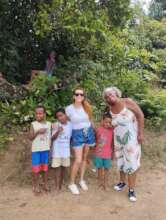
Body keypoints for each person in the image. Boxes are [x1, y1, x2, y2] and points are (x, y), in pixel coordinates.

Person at [103, 86, 144, 202]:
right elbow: (109, 125)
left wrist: (140, 133)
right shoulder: (109, 109)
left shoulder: (128, 102)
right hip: (118, 139)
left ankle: (131, 189)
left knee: (131, 162)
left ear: (116, 93)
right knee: (120, 161)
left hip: (131, 139)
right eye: (107, 97)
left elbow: (140, 116)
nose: (109, 97)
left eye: (111, 94)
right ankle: (122, 182)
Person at [66, 87, 95, 195]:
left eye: (81, 95)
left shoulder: (87, 107)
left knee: (84, 158)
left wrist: (95, 133)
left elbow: (90, 120)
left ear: (83, 97)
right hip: (76, 134)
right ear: (73, 96)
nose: (79, 96)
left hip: (88, 132)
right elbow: (66, 122)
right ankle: (71, 183)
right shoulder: (69, 109)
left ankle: (81, 180)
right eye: (77, 94)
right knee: (77, 159)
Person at [29, 106, 51, 195]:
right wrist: (38, 132)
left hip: (45, 150)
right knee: (36, 169)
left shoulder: (49, 124)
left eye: (40, 113)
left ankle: (45, 184)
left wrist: (50, 146)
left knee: (45, 169)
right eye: (36, 113)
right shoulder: (33, 124)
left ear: (44, 114)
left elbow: (50, 137)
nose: (38, 115)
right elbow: (30, 138)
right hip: (36, 150)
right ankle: (36, 185)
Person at [51, 108, 72, 193]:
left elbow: (71, 138)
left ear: (65, 115)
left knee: (63, 169)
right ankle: (56, 187)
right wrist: (58, 131)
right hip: (57, 152)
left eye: (61, 115)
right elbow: (52, 138)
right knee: (57, 169)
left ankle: (60, 185)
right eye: (58, 117)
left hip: (66, 152)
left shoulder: (71, 125)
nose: (60, 118)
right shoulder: (55, 125)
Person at [93, 112, 114, 190]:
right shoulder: (98, 129)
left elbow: (112, 143)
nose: (107, 124)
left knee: (107, 169)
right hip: (98, 153)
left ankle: (105, 184)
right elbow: (94, 140)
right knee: (99, 168)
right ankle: (100, 183)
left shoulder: (112, 131)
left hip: (108, 153)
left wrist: (113, 153)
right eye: (106, 122)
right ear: (102, 121)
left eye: (109, 122)